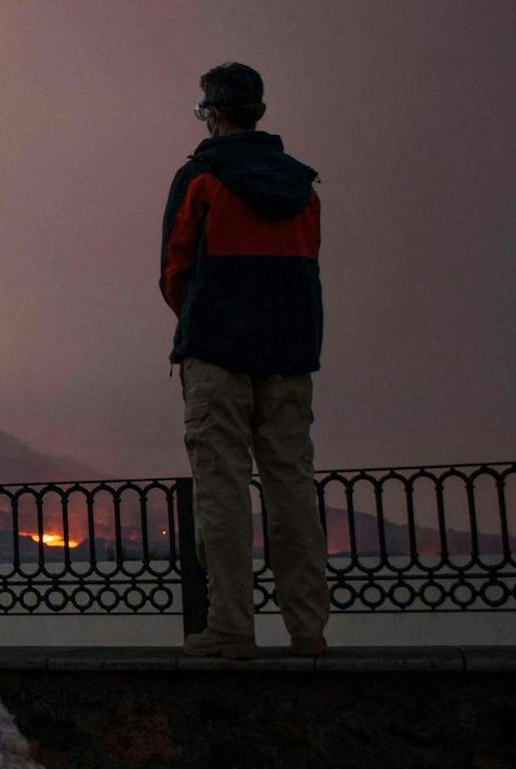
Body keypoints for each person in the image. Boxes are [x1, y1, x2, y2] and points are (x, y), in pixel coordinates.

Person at [160, 61, 330, 660]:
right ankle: (308, 627)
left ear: (215, 111)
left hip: (217, 352)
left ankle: (231, 626)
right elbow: (307, 267)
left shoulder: (201, 178)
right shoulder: (302, 187)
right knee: (292, 486)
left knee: (223, 488)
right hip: (289, 353)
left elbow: (174, 271)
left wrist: (201, 321)